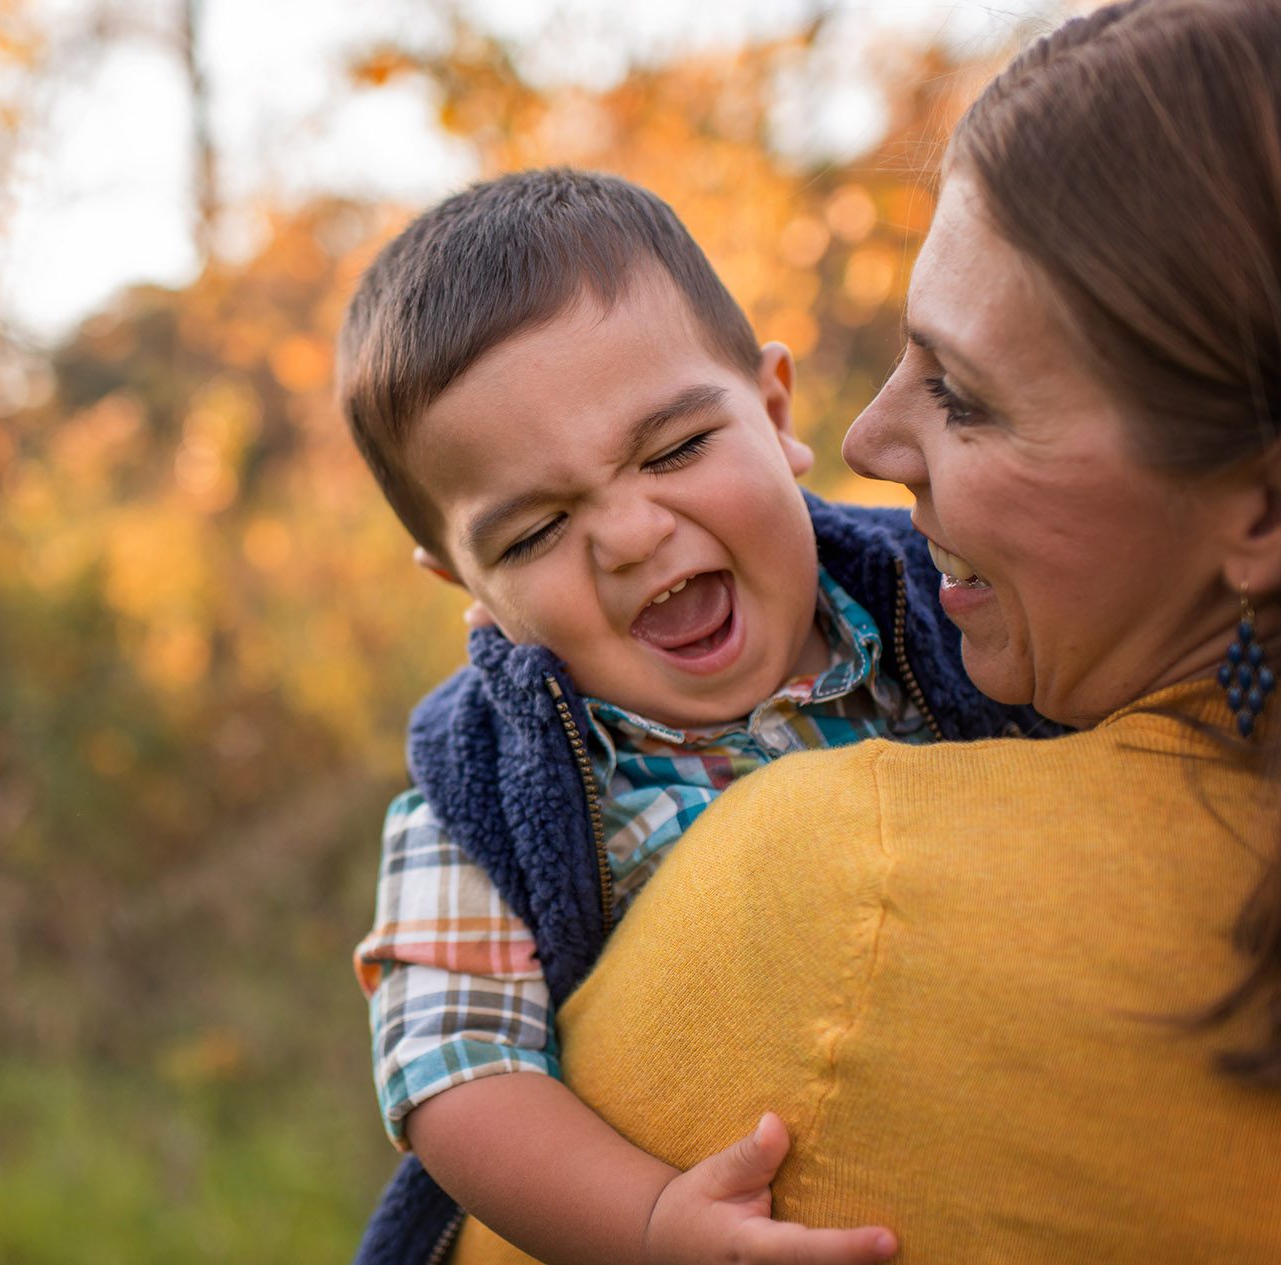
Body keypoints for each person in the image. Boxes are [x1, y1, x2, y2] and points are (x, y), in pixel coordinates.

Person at [446, 0, 1281, 1261]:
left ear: (1262, 504)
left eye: (963, 394)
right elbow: (449, 1053)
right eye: (532, 530)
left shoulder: (845, 882)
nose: (867, 445)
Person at [337, 169, 1046, 1265]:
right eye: (533, 533)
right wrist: (651, 1222)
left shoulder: (948, 611)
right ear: (468, 587)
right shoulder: (477, 792)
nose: (628, 534)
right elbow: (455, 1073)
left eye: (672, 451)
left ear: (772, 411)